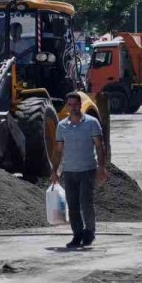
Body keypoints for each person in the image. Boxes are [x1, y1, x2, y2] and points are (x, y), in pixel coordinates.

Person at [50, 91, 108, 249]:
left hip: (88, 170)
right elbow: (58, 150)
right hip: (69, 172)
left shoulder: (91, 123)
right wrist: (55, 171)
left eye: (76, 104)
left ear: (80, 105)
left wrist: (101, 167)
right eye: (70, 105)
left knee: (86, 202)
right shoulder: (62, 126)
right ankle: (77, 234)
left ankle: (89, 232)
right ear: (67, 106)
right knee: (72, 204)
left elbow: (99, 146)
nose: (73, 107)